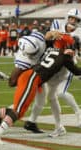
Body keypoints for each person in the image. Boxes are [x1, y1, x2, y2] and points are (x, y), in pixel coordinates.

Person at [0, 33, 81, 144]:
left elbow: (49, 40)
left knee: (21, 109)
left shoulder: (50, 48)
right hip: (32, 78)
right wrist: (69, 56)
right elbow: (76, 71)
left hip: (32, 77)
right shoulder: (65, 56)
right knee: (18, 111)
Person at [24, 8, 81, 137]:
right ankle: (59, 127)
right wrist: (55, 33)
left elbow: (75, 51)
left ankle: (78, 113)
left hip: (67, 66)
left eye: (76, 20)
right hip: (54, 64)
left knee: (61, 93)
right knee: (51, 97)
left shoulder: (79, 33)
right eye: (71, 18)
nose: (73, 21)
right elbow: (47, 36)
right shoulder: (58, 24)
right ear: (67, 17)